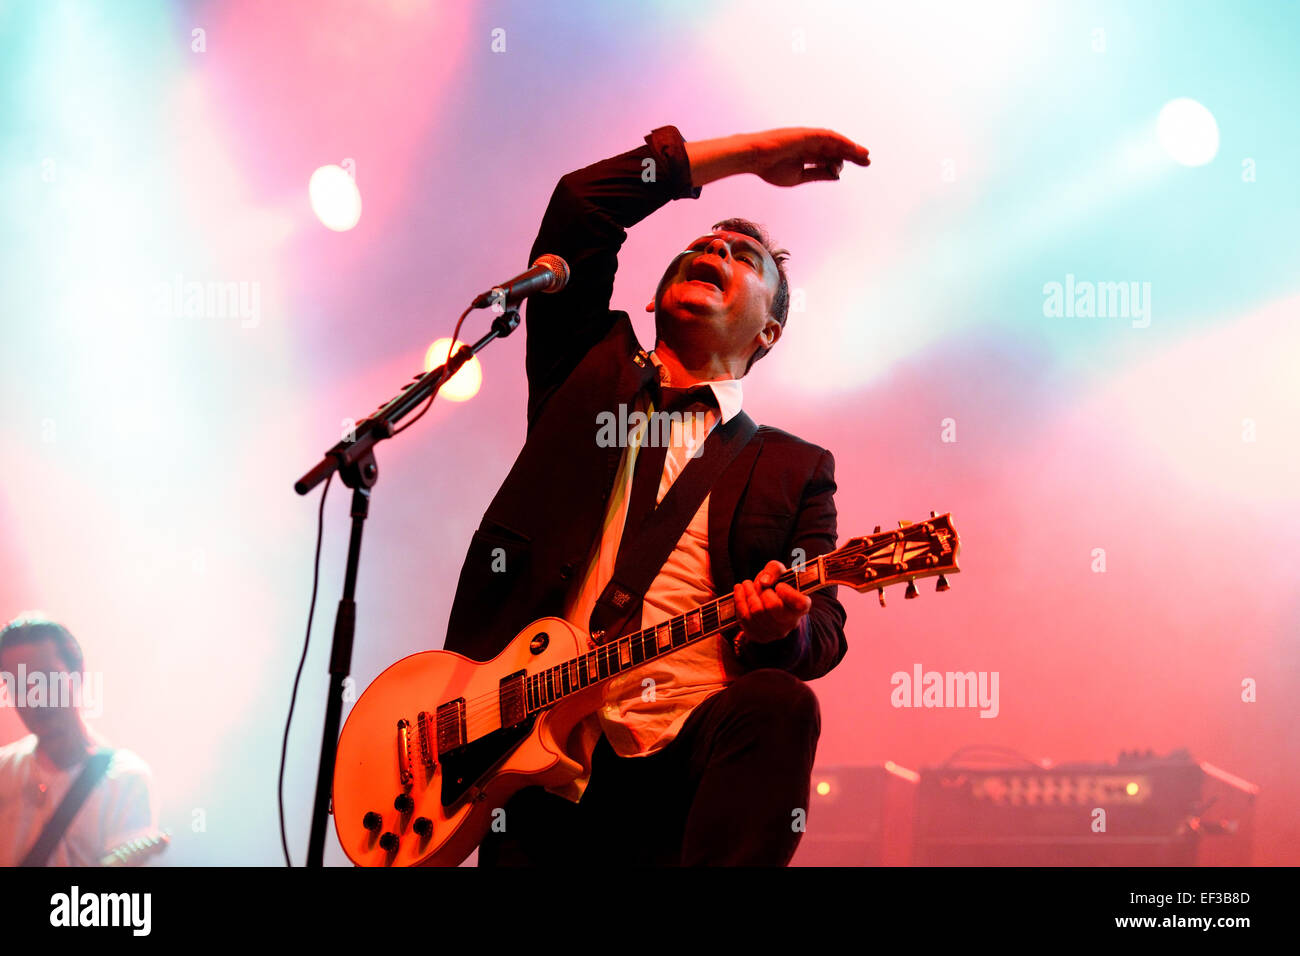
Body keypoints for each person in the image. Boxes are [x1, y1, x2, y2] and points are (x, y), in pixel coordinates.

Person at [444, 125, 870, 865]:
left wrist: (781, 634)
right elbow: (581, 207)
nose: (715, 250)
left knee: (779, 706)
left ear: (769, 331)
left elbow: (823, 628)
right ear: (650, 297)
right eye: (703, 245)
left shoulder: (795, 467)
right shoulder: (587, 377)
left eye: (746, 258)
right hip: (529, 759)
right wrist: (747, 160)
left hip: (680, 765)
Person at [0, 612, 156, 866]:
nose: (34, 696)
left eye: (47, 679)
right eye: (17, 685)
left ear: (78, 674)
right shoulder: (4, 772)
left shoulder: (126, 781)